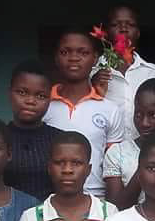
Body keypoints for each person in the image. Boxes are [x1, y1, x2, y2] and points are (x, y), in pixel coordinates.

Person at [45, 28, 125, 198]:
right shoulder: (44, 106)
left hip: (97, 198)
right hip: (49, 198)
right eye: (65, 52)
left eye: (83, 52)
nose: (74, 58)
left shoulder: (110, 109)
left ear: (95, 58)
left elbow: (114, 165)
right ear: (56, 57)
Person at [91, 4, 155, 141]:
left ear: (138, 33)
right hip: (105, 147)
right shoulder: (93, 71)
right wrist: (93, 87)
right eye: (116, 24)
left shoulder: (153, 72)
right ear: (106, 32)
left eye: (130, 24)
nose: (123, 29)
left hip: (145, 148)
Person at [104, 78, 155, 210]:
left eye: (153, 115)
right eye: (138, 115)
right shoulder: (117, 153)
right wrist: (147, 163)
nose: (144, 123)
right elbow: (115, 208)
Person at [6, 60, 62, 201]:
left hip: (49, 214)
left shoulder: (60, 141)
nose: (30, 101)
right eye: (22, 92)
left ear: (50, 99)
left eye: (40, 96)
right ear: (9, 93)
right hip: (4, 214)